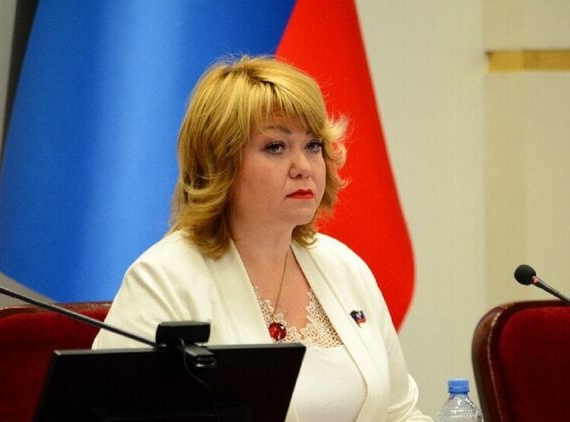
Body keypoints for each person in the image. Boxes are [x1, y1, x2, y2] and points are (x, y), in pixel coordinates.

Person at [92, 55, 431, 421]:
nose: (303, 167)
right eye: (276, 147)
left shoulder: (344, 266)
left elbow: (400, 414)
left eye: (313, 145)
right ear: (221, 163)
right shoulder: (163, 280)